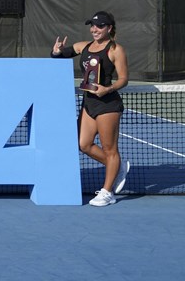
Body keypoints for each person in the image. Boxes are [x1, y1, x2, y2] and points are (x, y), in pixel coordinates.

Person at [51, 11, 130, 207]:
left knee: (109, 149)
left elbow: (123, 79)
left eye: (99, 26)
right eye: (92, 26)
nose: (94, 29)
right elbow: (61, 56)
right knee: (83, 144)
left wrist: (108, 89)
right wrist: (57, 51)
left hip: (107, 104)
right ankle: (117, 168)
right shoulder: (84, 46)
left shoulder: (115, 49)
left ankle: (107, 192)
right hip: (89, 103)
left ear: (109, 28)